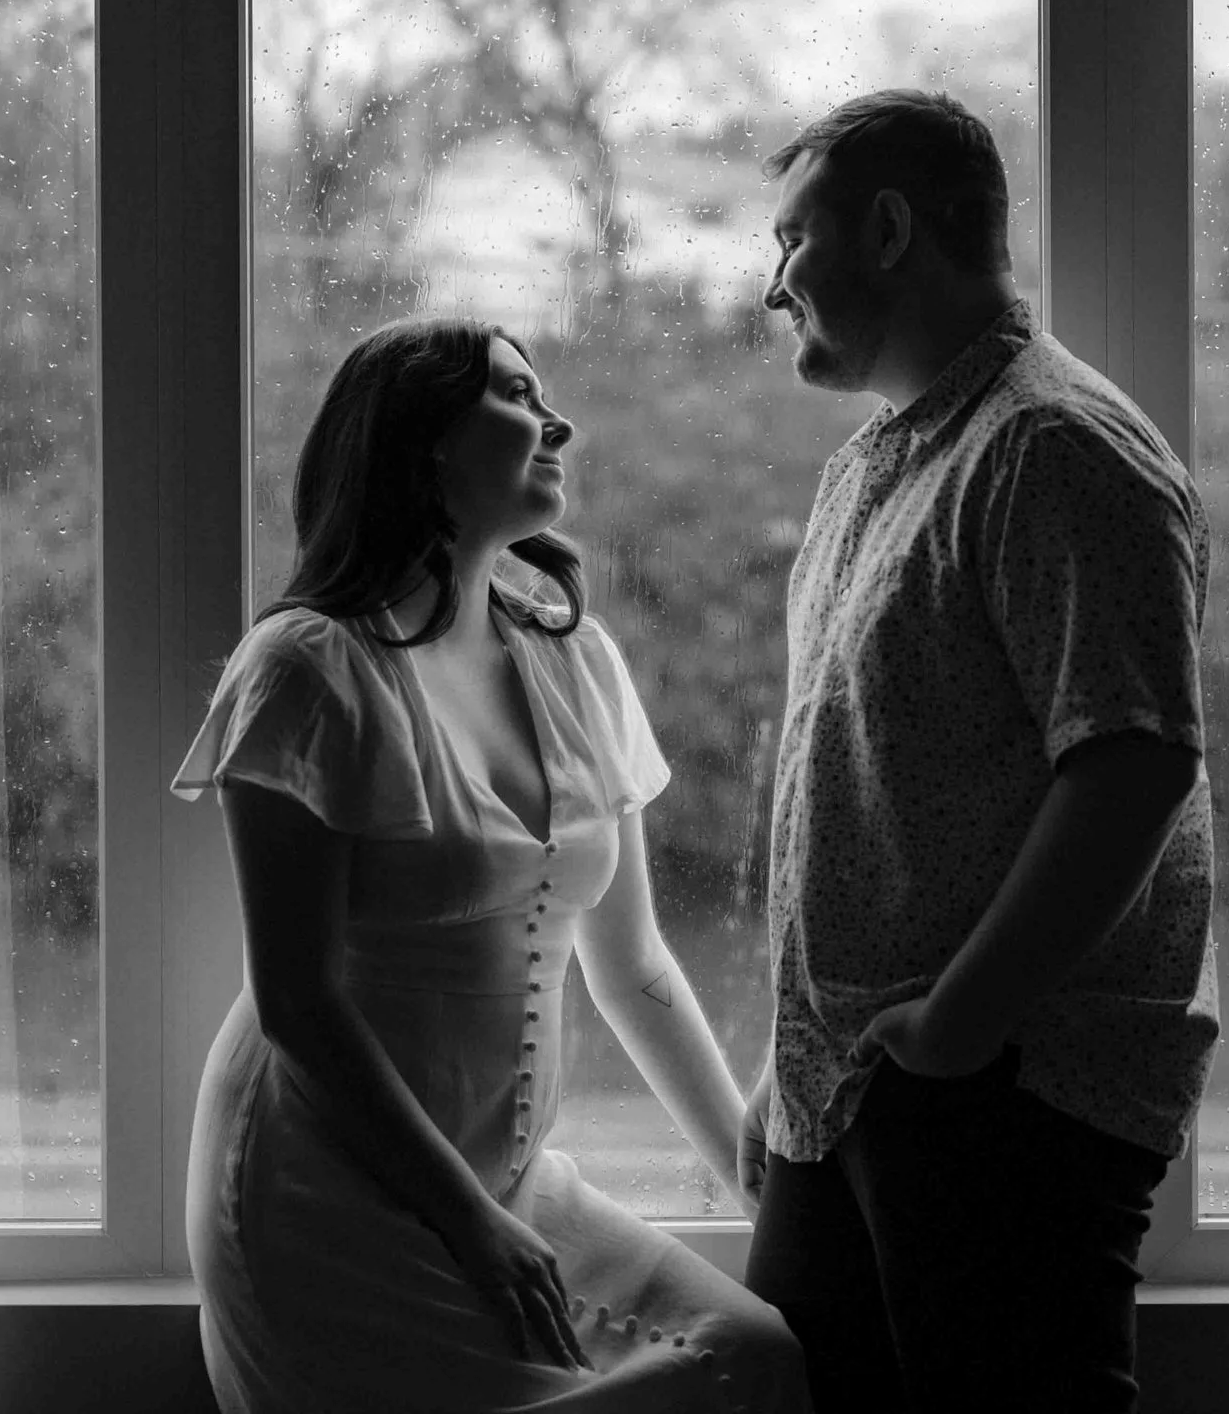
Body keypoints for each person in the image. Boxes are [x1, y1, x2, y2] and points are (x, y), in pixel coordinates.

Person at [172, 318, 810, 1414]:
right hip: (328, 1188)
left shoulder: (574, 654)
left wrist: (751, 1175)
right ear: (421, 443)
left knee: (752, 1353)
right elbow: (298, 1002)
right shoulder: (304, 670)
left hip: (507, 1181)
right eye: (517, 394)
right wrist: (469, 1223)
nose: (555, 419)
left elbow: (636, 963)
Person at [736, 90, 1219, 1413]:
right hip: (858, 1084)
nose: (774, 285)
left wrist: (962, 1021)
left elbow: (1132, 765)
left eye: (791, 241)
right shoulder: (871, 470)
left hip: (1002, 1084)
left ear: (888, 228)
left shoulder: (1055, 447)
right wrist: (785, 1067)